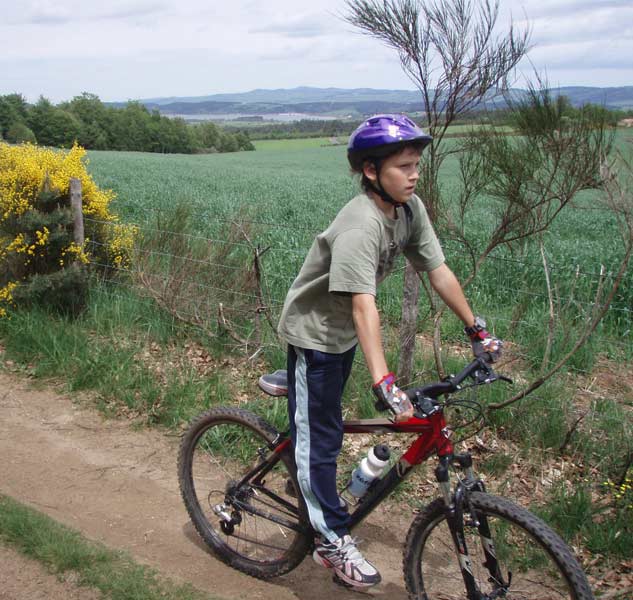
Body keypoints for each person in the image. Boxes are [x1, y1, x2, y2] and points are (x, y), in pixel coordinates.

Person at [277, 114, 501, 589]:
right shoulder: (361, 225)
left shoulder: (409, 209)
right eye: (403, 166)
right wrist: (384, 382)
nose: (414, 174)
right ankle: (330, 539)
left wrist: (475, 328)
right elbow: (364, 307)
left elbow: (437, 270)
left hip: (341, 337)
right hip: (314, 334)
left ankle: (304, 482)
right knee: (322, 439)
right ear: (372, 171)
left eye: (416, 164)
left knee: (325, 424)